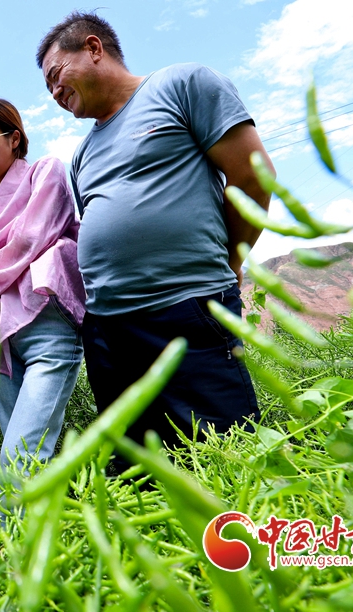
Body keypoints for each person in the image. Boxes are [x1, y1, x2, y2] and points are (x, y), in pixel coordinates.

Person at [35, 12, 272, 456]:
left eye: (55, 74)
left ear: (93, 48)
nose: (53, 92)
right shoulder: (81, 156)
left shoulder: (182, 85)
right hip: (109, 333)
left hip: (187, 308)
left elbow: (253, 177)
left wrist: (231, 261)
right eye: (47, 86)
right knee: (138, 466)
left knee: (225, 452)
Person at [0, 99, 85, 471]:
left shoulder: (45, 172)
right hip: (2, 340)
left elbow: (30, 239)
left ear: (14, 139)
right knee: (20, 454)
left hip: (48, 327)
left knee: (19, 454)